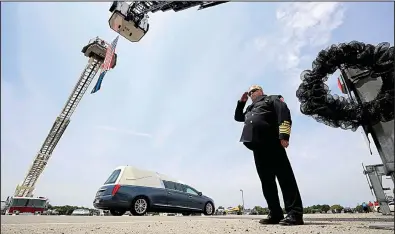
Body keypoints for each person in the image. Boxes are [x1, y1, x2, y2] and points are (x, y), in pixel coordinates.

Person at [234, 85, 304, 226]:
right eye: (249, 92)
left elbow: (283, 112)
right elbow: (238, 117)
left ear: (261, 91)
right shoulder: (249, 108)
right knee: (267, 183)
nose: (251, 93)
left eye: (253, 91)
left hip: (272, 143)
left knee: (285, 178)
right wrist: (241, 103)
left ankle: (295, 213)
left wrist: (284, 135)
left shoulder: (272, 99)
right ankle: (275, 213)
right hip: (257, 148)